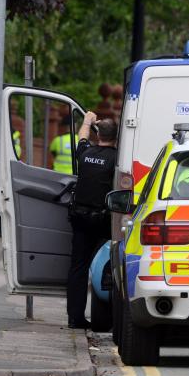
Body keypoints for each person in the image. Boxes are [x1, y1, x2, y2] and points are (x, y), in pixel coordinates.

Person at [65, 112, 118, 329]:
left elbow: (82, 137)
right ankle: (109, 318)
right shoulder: (116, 159)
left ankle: (75, 318)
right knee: (110, 267)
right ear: (116, 137)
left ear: (98, 134)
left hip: (80, 218)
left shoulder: (85, 153)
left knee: (78, 267)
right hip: (104, 222)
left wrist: (88, 121)